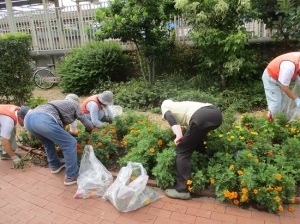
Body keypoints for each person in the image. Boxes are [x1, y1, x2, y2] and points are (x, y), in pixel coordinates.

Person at [24, 94, 94, 186]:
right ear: (76, 102)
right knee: (70, 143)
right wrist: (91, 129)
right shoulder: (75, 105)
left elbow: (60, 123)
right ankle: (71, 176)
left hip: (28, 120)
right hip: (42, 120)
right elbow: (86, 123)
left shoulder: (59, 104)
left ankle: (55, 165)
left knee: (48, 142)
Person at [161, 99, 222, 199]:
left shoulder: (165, 107)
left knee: (182, 151)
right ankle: (204, 172)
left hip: (201, 116)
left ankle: (182, 190)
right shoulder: (180, 105)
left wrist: (178, 135)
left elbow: (170, 117)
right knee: (197, 141)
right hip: (216, 114)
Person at [262, 52, 300, 120]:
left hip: (281, 77)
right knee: (275, 104)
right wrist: (297, 100)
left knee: (284, 103)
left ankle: (282, 123)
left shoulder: (298, 61)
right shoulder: (289, 67)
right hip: (271, 78)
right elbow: (284, 87)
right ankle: (270, 125)